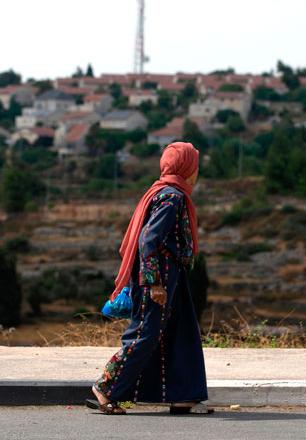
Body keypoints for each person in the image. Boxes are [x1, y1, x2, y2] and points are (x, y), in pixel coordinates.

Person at [86, 142, 211, 415]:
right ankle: (104, 388)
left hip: (171, 279)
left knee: (180, 334)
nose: (197, 172)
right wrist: (154, 283)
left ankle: (183, 397)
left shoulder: (167, 193)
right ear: (186, 169)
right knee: (145, 334)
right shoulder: (172, 197)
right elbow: (148, 240)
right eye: (194, 166)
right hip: (158, 280)